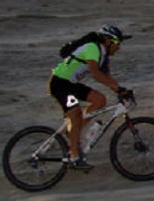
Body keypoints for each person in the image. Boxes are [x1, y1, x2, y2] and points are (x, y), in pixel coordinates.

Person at [48, 25, 132, 170]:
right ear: (107, 41)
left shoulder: (103, 55)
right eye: (117, 43)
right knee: (75, 114)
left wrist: (121, 90)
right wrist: (116, 88)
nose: (119, 47)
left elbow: (107, 76)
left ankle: (74, 131)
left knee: (100, 100)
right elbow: (95, 74)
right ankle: (74, 156)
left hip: (71, 84)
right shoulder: (93, 48)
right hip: (60, 84)